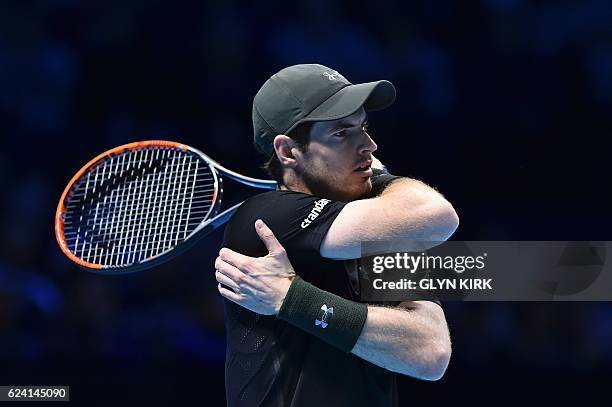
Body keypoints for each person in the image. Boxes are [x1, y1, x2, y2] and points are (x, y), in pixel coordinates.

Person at [214, 64, 459, 407]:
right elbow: (438, 216)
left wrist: (292, 298)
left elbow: (430, 353)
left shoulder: (367, 230)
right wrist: (383, 180)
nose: (369, 145)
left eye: (364, 127)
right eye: (342, 134)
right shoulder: (265, 217)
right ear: (288, 152)